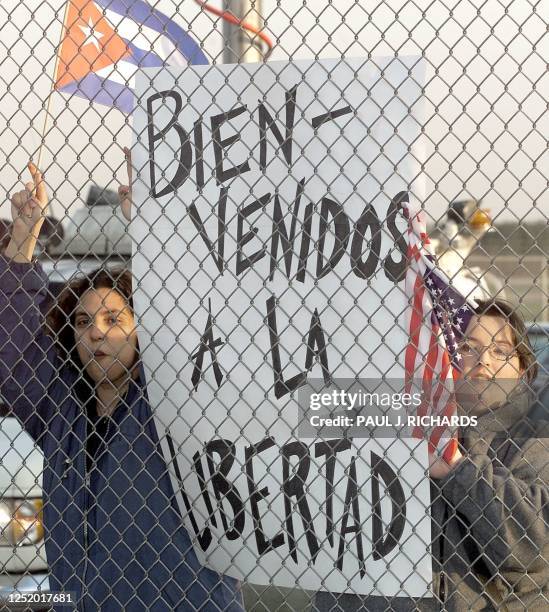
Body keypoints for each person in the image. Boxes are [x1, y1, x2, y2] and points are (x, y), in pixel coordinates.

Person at [0, 161, 244, 611]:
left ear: (141, 331)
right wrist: (22, 241)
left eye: (115, 319)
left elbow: (200, 314)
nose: (97, 333)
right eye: (83, 322)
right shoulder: (60, 414)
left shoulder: (176, 401)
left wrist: (157, 233)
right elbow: (16, 351)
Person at [313, 299, 549, 611]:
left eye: (501, 351)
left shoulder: (534, 438)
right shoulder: (391, 423)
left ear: (521, 371)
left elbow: (533, 544)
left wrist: (456, 468)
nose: (483, 361)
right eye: (467, 347)